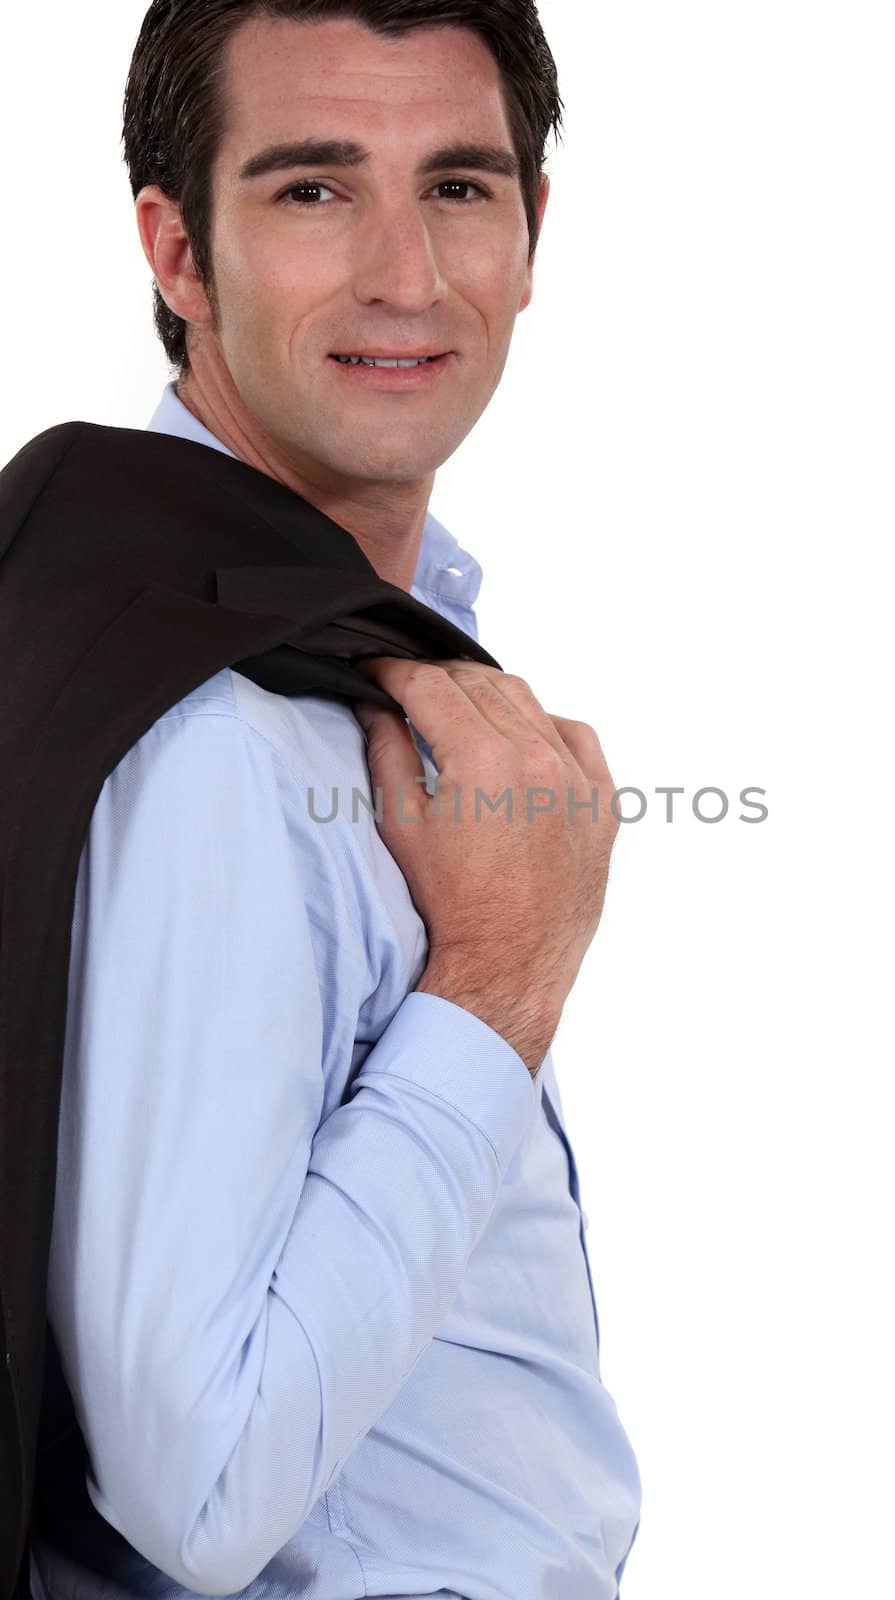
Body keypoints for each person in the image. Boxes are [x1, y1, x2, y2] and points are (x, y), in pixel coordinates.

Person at [26, 4, 642, 1599]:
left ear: (532, 231)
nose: (408, 278)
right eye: (313, 189)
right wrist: (500, 978)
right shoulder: (216, 730)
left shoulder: (239, 626)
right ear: (178, 251)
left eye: (458, 187)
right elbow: (201, 1485)